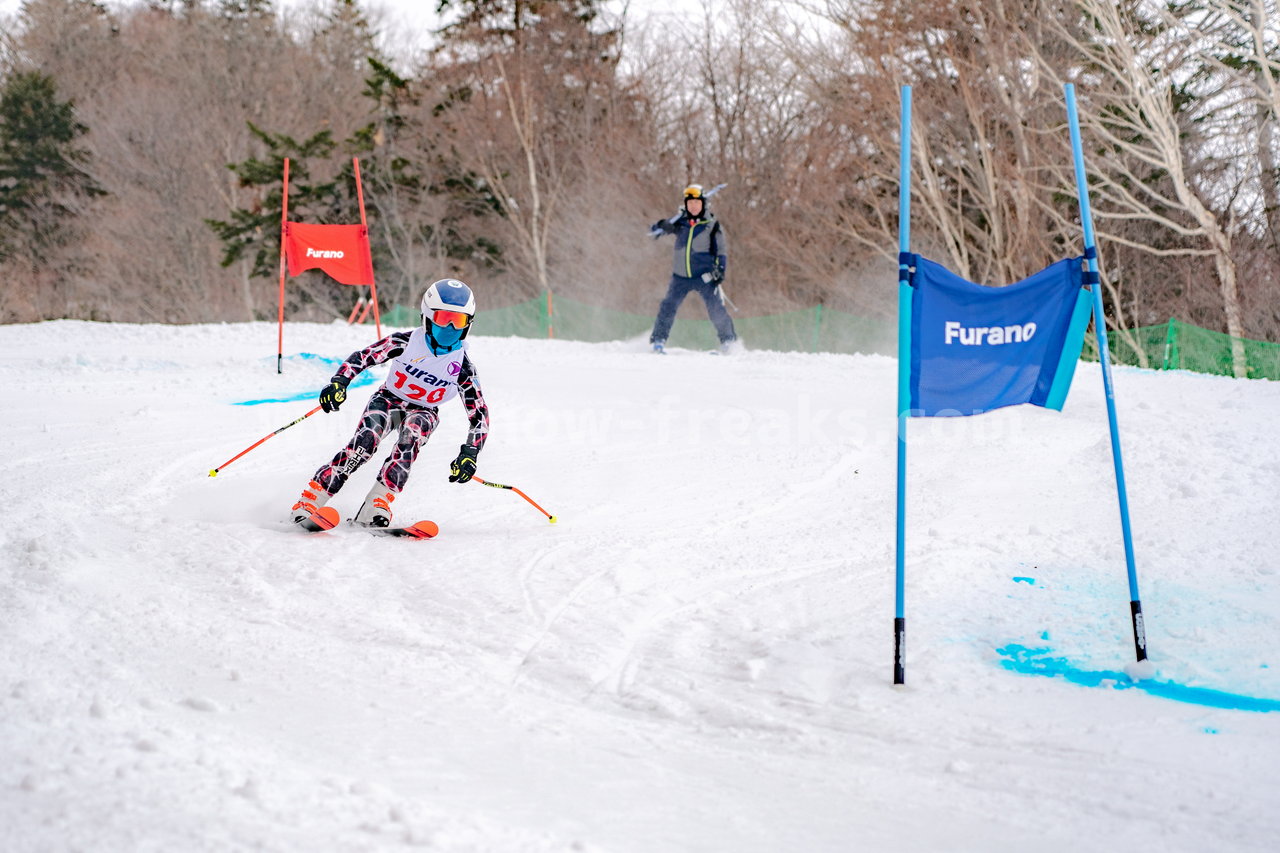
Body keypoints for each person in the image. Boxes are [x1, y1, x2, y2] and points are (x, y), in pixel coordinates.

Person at [289, 278, 489, 528]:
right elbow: (363, 357)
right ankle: (311, 500)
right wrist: (340, 382)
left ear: (468, 324)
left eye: (457, 320)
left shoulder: (463, 368)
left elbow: (479, 414)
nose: (449, 326)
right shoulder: (405, 343)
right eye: (443, 317)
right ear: (427, 317)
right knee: (364, 444)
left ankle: (377, 502)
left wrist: (470, 453)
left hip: (425, 410)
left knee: (410, 440)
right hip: (388, 401)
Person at [648, 183, 739, 354]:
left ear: (703, 204)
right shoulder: (680, 223)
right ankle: (658, 340)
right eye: (690, 203)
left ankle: (728, 341)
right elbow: (654, 230)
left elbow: (721, 251)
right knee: (668, 306)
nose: (693, 206)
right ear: (686, 205)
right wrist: (663, 224)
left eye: (697, 203)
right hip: (680, 276)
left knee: (715, 308)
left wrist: (720, 270)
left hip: (705, 275)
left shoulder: (711, 224)